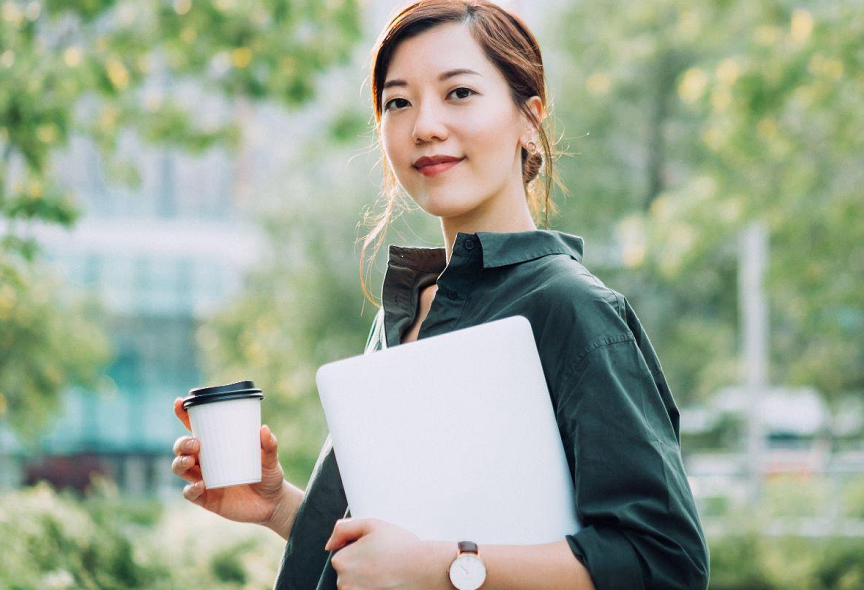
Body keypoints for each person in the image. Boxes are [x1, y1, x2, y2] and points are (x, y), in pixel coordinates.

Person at [170, 1, 709, 589]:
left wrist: (447, 566)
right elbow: (388, 556)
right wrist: (276, 505)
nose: (424, 124)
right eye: (398, 102)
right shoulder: (404, 314)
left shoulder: (570, 307)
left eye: (459, 93)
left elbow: (664, 563)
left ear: (529, 119)